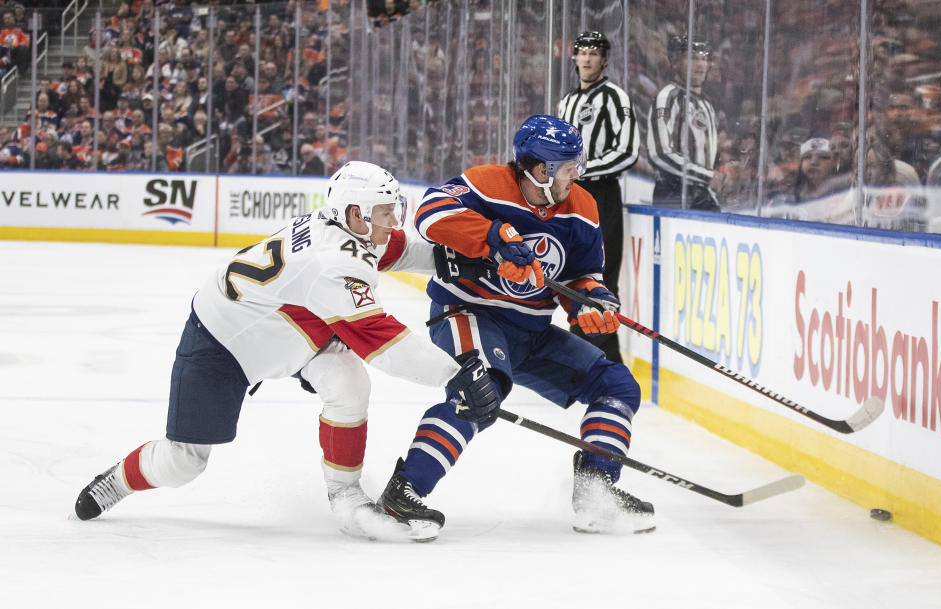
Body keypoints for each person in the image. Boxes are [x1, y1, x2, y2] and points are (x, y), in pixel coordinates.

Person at [73, 161, 500, 542]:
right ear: (357, 213)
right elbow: (382, 341)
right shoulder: (333, 262)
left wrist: (456, 260)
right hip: (223, 344)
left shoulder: (344, 228)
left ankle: (346, 497)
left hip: (292, 326)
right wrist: (456, 375)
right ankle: (117, 482)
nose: (394, 221)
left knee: (349, 382)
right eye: (387, 213)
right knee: (184, 461)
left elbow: (398, 250)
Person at [374, 115, 654, 537]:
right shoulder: (487, 183)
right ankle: (403, 492)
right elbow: (430, 214)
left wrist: (591, 301)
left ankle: (596, 491)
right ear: (541, 170)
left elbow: (582, 276)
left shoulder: (583, 206)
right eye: (568, 166)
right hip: (469, 313)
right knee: (480, 392)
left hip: (532, 332)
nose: (576, 174)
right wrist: (492, 234)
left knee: (616, 386)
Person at [556, 31, 641, 364]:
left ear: (604, 60)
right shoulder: (567, 101)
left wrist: (582, 171)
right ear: (574, 58)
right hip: (568, 195)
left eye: (594, 53)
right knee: (572, 274)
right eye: (582, 52)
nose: (587, 58)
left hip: (601, 194)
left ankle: (603, 362)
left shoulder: (616, 97)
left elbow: (628, 150)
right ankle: (586, 358)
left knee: (600, 275)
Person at [646, 35, 723, 211]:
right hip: (672, 194)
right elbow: (661, 153)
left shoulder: (707, 105)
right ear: (675, 63)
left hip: (701, 194)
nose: (700, 64)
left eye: (704, 59)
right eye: (693, 58)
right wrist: (707, 176)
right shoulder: (668, 97)